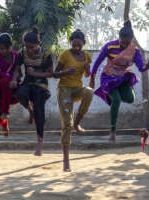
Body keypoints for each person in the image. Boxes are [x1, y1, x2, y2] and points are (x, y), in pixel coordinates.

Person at [90, 20, 149, 142]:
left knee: (130, 99)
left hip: (123, 78)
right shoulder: (109, 46)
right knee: (117, 100)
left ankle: (114, 96)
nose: (125, 45)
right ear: (119, 38)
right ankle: (112, 131)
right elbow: (98, 62)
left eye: (128, 43)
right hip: (109, 78)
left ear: (131, 40)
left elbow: (142, 68)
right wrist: (92, 78)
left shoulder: (134, 50)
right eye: (123, 42)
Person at [53, 29, 93, 171]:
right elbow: (55, 74)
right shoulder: (65, 54)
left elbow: (87, 75)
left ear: (83, 43)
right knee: (66, 125)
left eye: (79, 44)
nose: (76, 46)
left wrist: (88, 70)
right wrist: (65, 72)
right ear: (71, 42)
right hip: (64, 90)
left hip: (77, 89)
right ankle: (66, 161)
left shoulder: (87, 56)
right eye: (74, 44)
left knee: (89, 92)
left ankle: (77, 124)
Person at [10, 27, 53, 156]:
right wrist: (13, 79)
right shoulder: (22, 53)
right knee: (18, 93)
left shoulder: (46, 55)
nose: (29, 50)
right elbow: (17, 69)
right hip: (27, 83)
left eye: (32, 47)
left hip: (41, 86)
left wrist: (35, 73)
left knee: (40, 113)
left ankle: (40, 143)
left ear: (38, 44)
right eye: (27, 47)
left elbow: (51, 74)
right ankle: (30, 111)